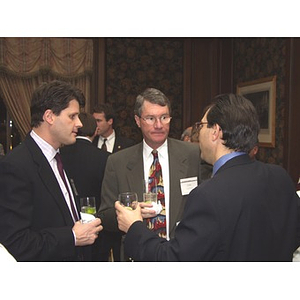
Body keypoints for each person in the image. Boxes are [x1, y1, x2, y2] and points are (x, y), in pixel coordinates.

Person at [115, 93, 300, 261]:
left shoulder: (208, 195)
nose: (198, 132)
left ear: (215, 132)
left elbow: (172, 260)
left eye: (201, 125)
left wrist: (134, 227)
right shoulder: (280, 177)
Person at [99, 87, 212, 261]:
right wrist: (130, 213)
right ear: (138, 120)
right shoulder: (118, 162)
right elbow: (105, 216)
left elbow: (208, 205)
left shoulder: (193, 154)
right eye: (151, 118)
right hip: (136, 255)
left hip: (183, 254)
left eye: (164, 117)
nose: (159, 125)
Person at [0, 80, 102, 261]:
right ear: (49, 117)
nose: (79, 123)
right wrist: (71, 237)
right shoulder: (16, 166)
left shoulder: (61, 158)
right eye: (72, 116)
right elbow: (16, 242)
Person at [60, 112, 109, 261]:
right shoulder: (105, 158)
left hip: (65, 228)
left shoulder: (59, 155)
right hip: (97, 226)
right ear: (96, 131)